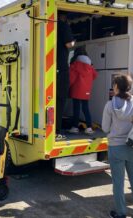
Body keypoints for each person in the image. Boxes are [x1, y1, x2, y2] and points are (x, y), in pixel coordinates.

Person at [102, 74, 133, 218]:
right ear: (129, 87)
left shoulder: (110, 105)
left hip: (116, 147)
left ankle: (121, 214)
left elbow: (105, 127)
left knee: (118, 183)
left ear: (116, 87)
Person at [68, 47, 97, 135]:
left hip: (77, 90)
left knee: (76, 108)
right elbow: (95, 75)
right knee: (86, 108)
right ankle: (89, 128)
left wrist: (67, 86)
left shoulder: (75, 64)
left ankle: (75, 127)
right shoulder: (90, 66)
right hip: (86, 90)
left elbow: (71, 78)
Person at [56, 12, 75, 141]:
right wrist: (75, 42)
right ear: (64, 17)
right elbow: (69, 44)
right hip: (61, 69)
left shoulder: (50, 25)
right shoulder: (63, 25)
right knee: (60, 100)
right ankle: (57, 131)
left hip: (51, 68)